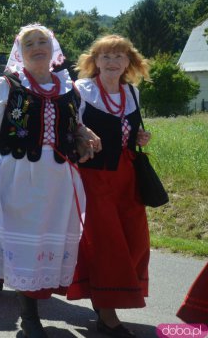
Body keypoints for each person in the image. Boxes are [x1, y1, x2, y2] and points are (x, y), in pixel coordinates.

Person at [0, 24, 97, 336]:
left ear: (53, 48)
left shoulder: (69, 88)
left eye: (41, 41)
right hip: (19, 174)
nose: (36, 46)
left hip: (59, 177)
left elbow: (76, 127)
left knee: (50, 240)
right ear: (20, 51)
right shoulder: (7, 84)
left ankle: (37, 298)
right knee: (24, 243)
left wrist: (86, 137)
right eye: (29, 42)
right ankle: (29, 316)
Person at [66, 35, 152, 338]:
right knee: (107, 243)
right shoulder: (81, 90)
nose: (113, 62)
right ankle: (107, 315)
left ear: (129, 61)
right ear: (95, 62)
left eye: (119, 56)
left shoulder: (133, 93)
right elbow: (69, 129)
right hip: (95, 176)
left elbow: (129, 129)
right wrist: (82, 134)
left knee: (136, 240)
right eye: (106, 57)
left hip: (128, 177)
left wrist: (139, 137)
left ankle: (106, 298)